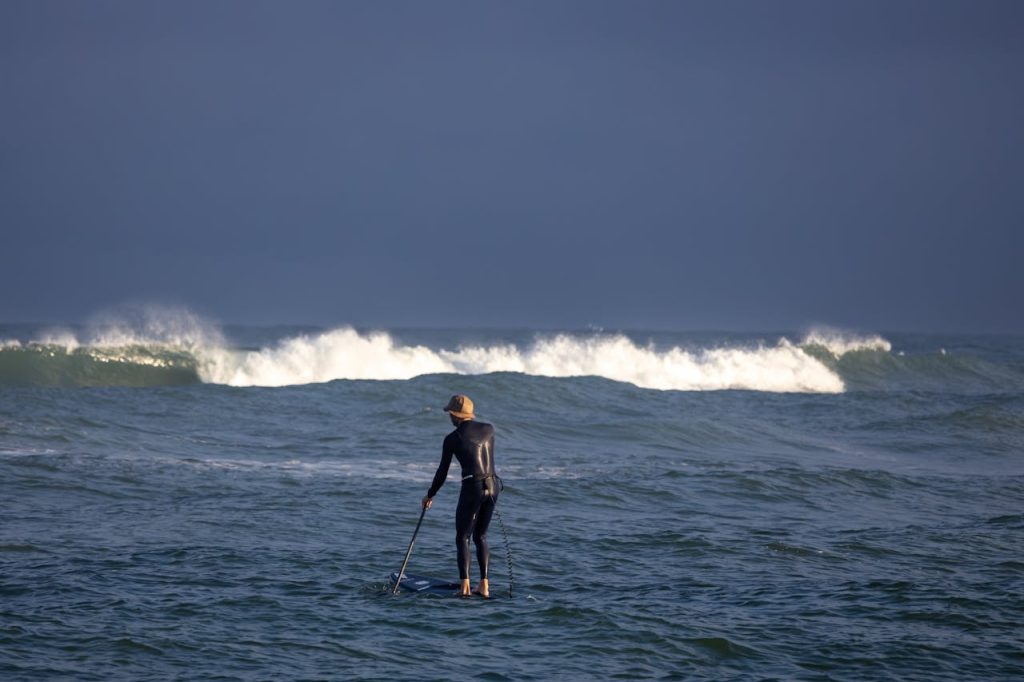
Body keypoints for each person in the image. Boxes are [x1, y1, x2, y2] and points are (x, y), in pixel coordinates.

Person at [422, 394, 499, 598]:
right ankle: (484, 586)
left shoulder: (452, 439)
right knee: (481, 536)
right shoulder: (489, 429)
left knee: (462, 537)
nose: (449, 417)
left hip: (472, 486)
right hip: (492, 485)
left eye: (450, 414)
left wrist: (430, 495)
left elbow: (442, 472)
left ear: (455, 415)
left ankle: (464, 587)